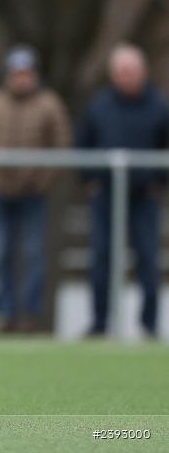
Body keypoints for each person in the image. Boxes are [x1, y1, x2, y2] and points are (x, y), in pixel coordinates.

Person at [0, 46, 72, 333]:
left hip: (33, 196)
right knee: (2, 254)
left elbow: (61, 147)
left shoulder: (50, 104)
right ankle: (6, 315)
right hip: (0, 193)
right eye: (17, 73)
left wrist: (41, 183)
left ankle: (29, 316)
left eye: (26, 73)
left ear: (34, 75)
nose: (21, 79)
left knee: (33, 255)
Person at [77, 43, 168, 338]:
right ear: (113, 74)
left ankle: (149, 324)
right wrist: (89, 179)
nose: (126, 77)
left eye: (131, 71)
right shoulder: (99, 106)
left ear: (142, 72)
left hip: (145, 196)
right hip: (106, 196)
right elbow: (83, 144)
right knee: (101, 258)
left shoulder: (160, 106)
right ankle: (100, 323)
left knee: (147, 259)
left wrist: (160, 182)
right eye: (121, 72)